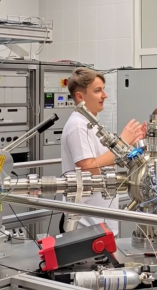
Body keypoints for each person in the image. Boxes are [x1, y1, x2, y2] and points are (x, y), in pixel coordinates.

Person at [61, 68, 143, 235]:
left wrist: (130, 143)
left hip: (100, 219)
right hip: (86, 223)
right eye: (98, 91)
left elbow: (106, 160)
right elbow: (89, 168)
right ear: (80, 97)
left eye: (103, 89)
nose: (105, 95)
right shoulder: (78, 126)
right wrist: (122, 142)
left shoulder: (91, 123)